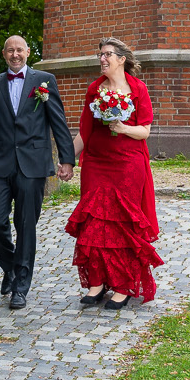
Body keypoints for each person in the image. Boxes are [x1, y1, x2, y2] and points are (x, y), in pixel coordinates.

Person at [0, 34, 75, 312]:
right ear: (4, 54)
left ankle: (20, 287)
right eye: (10, 50)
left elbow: (58, 121)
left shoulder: (44, 81)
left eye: (19, 50)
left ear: (28, 52)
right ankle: (11, 268)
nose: (15, 54)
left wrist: (67, 159)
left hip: (33, 165)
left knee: (26, 225)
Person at [66, 37, 163, 313]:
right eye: (100, 54)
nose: (102, 59)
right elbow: (85, 130)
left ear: (121, 59)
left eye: (107, 54)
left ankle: (122, 286)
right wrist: (67, 161)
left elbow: (144, 130)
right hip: (97, 164)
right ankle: (96, 283)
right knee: (94, 222)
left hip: (128, 164)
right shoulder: (95, 89)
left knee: (121, 224)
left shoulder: (138, 89)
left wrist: (122, 128)